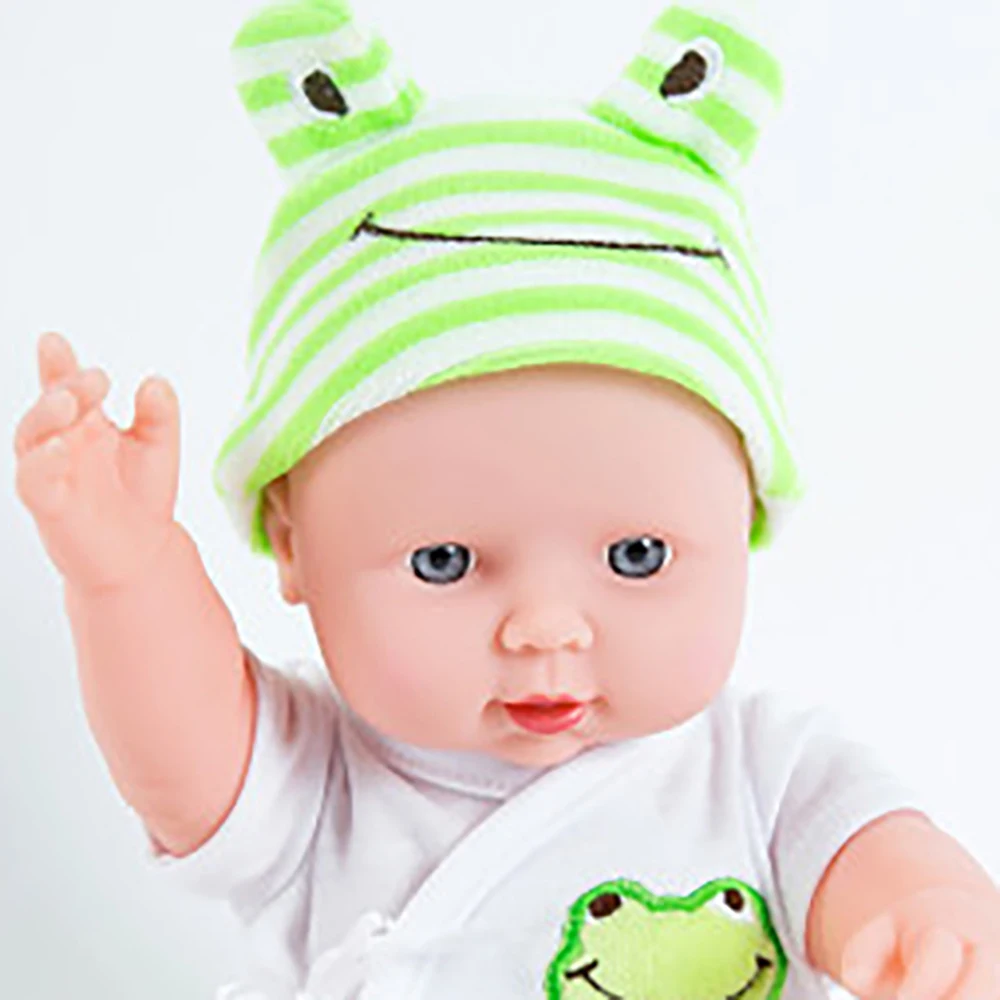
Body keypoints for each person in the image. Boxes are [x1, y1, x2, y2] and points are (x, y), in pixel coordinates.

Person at [13, 0, 1000, 998]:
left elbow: (883, 857)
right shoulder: (319, 787)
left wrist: (930, 916)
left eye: (638, 557)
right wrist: (128, 576)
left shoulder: (765, 775)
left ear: (743, 517)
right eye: (443, 562)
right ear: (293, 543)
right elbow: (180, 755)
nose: (544, 629)